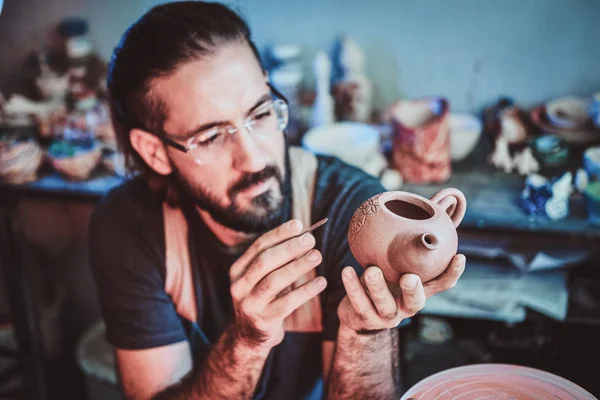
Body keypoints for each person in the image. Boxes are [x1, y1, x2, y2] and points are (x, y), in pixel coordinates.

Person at [88, 2, 466, 399]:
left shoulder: (356, 213)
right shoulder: (128, 226)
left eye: (261, 113)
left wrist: (366, 334)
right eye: (212, 137)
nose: (255, 158)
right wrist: (245, 342)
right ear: (154, 152)